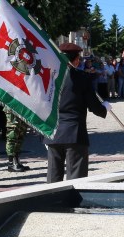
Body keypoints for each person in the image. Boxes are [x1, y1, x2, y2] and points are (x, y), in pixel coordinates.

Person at [45, 43, 109, 182]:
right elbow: (94, 106)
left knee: (53, 177)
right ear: (75, 60)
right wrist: (104, 108)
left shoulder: (49, 77)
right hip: (74, 132)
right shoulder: (82, 78)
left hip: (52, 131)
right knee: (76, 178)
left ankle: (53, 202)